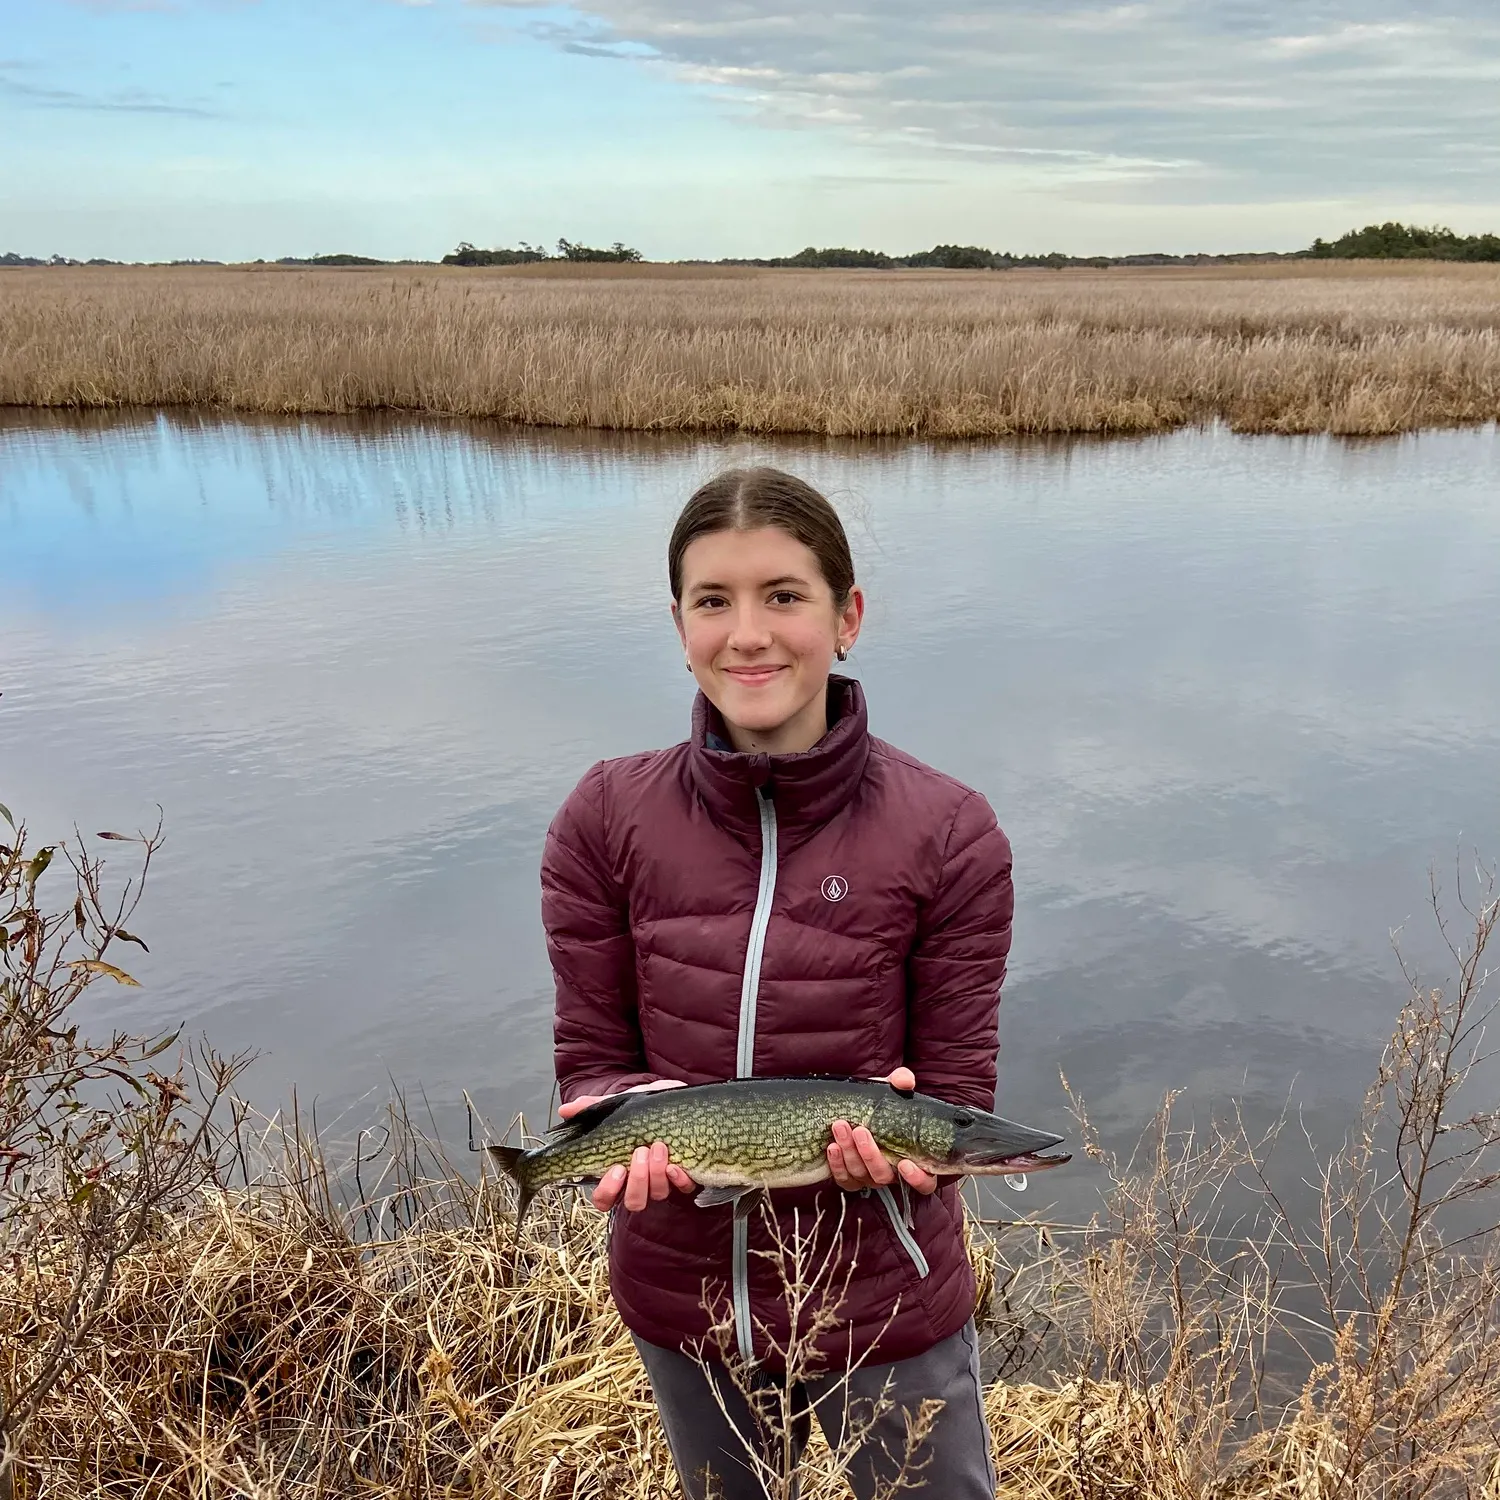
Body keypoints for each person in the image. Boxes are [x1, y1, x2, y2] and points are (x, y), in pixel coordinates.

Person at [542, 466, 1014, 1499]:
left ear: (848, 616)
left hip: (885, 1299)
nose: (747, 634)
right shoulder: (603, 818)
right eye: (715, 600)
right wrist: (608, 1130)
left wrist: (909, 1148)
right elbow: (592, 1061)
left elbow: (955, 1101)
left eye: (784, 596)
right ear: (679, 624)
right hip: (685, 1297)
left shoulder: (950, 833)